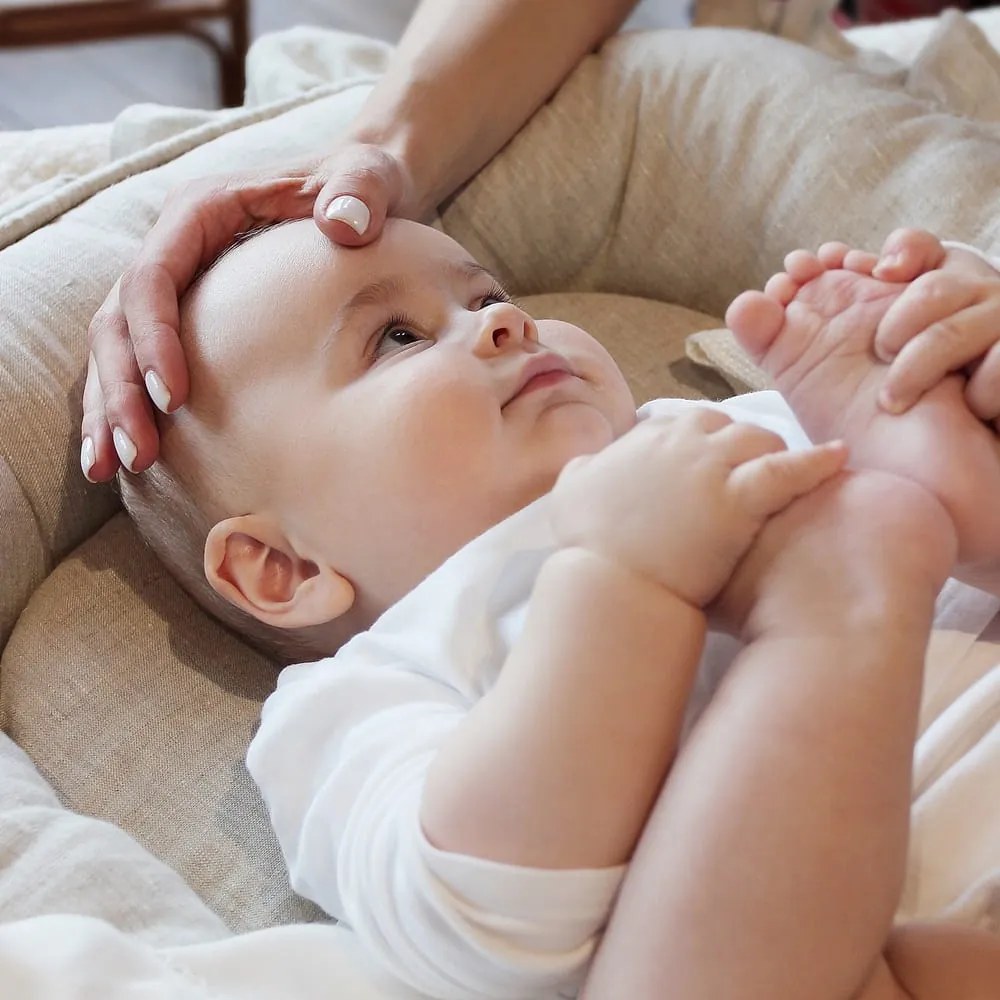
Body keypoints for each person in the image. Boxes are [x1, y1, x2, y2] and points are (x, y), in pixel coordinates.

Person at [116, 215, 1000, 998]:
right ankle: (833, 617)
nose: (504, 321)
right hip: (853, 952)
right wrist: (623, 578)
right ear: (281, 565)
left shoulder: (750, 427)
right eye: (395, 338)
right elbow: (475, 922)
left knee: (920, 505)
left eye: (489, 294)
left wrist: (938, 357)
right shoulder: (366, 692)